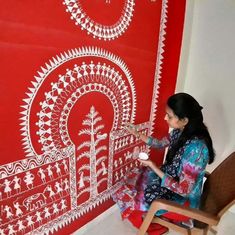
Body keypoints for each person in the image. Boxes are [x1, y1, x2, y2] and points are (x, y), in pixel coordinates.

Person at [112, 92, 215, 234]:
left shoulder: (197, 150)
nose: (165, 118)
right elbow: (161, 143)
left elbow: (184, 190)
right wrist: (137, 134)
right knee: (131, 178)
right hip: (169, 180)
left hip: (182, 201)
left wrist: (153, 166)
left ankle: (153, 228)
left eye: (170, 116)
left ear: (184, 120)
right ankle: (154, 224)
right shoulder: (181, 131)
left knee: (133, 196)